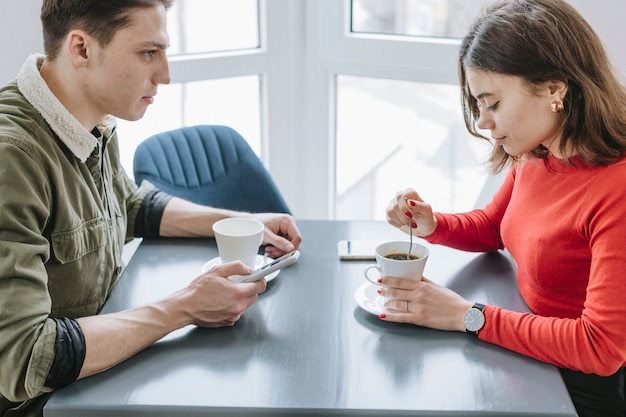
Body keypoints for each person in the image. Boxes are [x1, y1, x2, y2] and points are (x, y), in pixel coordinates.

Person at [0, 1, 302, 415]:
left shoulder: (90, 118)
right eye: (148, 53)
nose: (165, 74)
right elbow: (25, 357)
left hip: (100, 382)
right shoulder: (12, 158)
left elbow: (130, 204)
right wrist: (185, 306)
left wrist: (240, 221)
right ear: (82, 49)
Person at [382, 0, 626, 416]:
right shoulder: (539, 153)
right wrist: (433, 223)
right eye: (478, 105)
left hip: (574, 387)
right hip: (524, 349)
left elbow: (599, 348)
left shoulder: (616, 190)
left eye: (492, 103)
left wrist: (467, 316)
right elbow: (496, 226)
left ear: (554, 87)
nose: (482, 122)